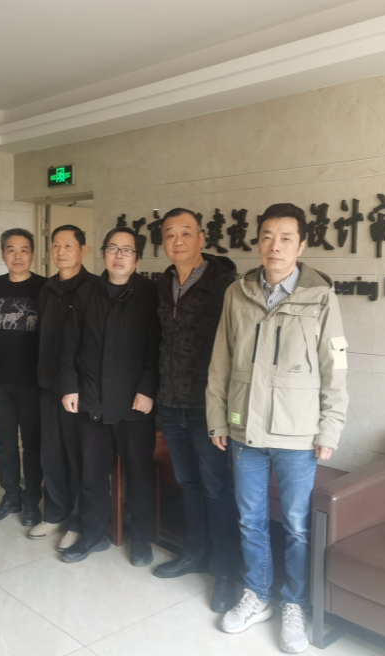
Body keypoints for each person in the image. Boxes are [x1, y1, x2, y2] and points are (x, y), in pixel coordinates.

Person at [206, 203, 349, 654]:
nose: (276, 245)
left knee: (296, 526)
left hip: (297, 434)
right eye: (268, 236)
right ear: (258, 242)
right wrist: (217, 418)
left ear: (301, 245)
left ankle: (294, 604)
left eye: (286, 237)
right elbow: (220, 361)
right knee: (250, 520)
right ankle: (258, 595)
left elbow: (336, 366)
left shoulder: (322, 296)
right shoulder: (238, 293)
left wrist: (330, 428)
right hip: (244, 430)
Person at [153, 208, 241, 613]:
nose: (178, 241)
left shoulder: (225, 285)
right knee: (188, 483)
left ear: (202, 238)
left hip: (209, 407)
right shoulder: (163, 284)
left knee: (217, 489)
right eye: (170, 234)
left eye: (186, 233)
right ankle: (194, 552)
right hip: (171, 403)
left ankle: (225, 572)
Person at [60, 226, 160, 565]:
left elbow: (157, 348)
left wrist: (147, 389)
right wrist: (69, 386)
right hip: (92, 400)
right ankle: (93, 535)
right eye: (113, 249)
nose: (119, 256)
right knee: (91, 474)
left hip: (135, 404)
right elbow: (70, 343)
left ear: (138, 258)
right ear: (102, 253)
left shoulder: (149, 293)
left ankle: (141, 539)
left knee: (139, 475)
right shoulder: (87, 292)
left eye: (127, 250)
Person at [27, 225, 94, 551]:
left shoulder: (93, 288)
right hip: (47, 386)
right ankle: (55, 513)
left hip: (79, 391)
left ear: (84, 250)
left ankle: (78, 521)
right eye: (56, 245)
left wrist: (77, 386)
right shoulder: (48, 287)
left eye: (68, 245)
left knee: (78, 457)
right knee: (50, 455)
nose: (61, 251)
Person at [0, 228, 46, 526]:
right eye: (11, 250)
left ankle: (32, 500)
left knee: (32, 443)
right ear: (3, 254)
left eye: (24, 249)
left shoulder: (44, 287)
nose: (17, 256)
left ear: (32, 254)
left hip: (33, 381)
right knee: (4, 442)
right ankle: (11, 496)